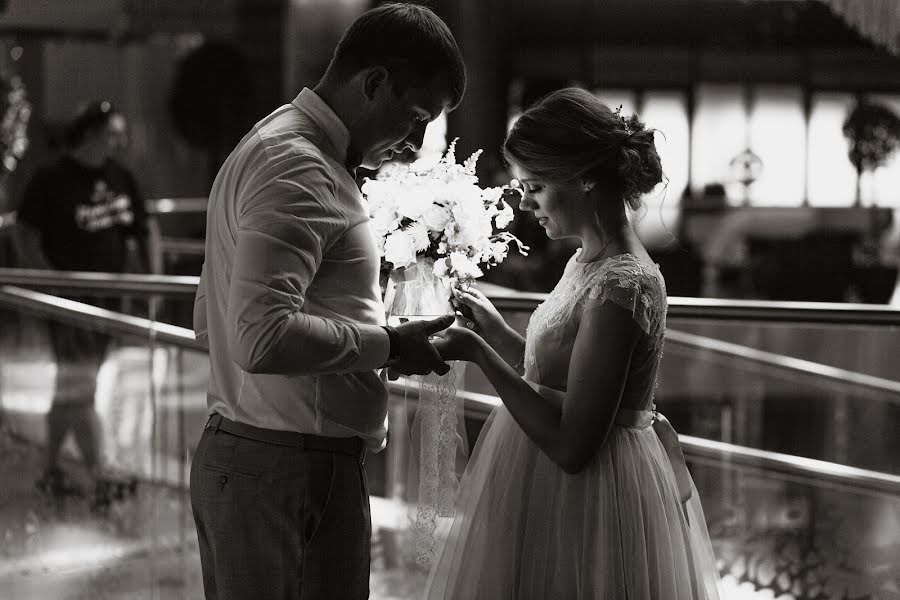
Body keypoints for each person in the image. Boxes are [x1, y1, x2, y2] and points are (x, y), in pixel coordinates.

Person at [189, 4, 466, 598]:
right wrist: (389, 345)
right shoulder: (297, 166)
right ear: (373, 84)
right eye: (415, 118)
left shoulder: (281, 147)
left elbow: (209, 323)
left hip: (282, 460)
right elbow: (258, 336)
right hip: (285, 469)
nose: (416, 146)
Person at [427, 88, 723, 599]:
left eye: (536, 185)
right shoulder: (587, 259)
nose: (527, 201)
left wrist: (477, 354)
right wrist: (491, 328)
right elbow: (557, 380)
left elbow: (573, 446)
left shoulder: (623, 285)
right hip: (545, 480)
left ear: (585, 176)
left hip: (594, 494)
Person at [16, 100, 148, 502]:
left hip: (111, 301)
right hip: (71, 304)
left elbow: (144, 229)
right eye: (113, 133)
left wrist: (147, 281)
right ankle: (100, 472)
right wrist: (49, 282)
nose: (120, 142)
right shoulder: (52, 178)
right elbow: (25, 232)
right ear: (91, 134)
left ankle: (51, 468)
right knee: (81, 386)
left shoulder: (121, 176)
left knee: (68, 387)